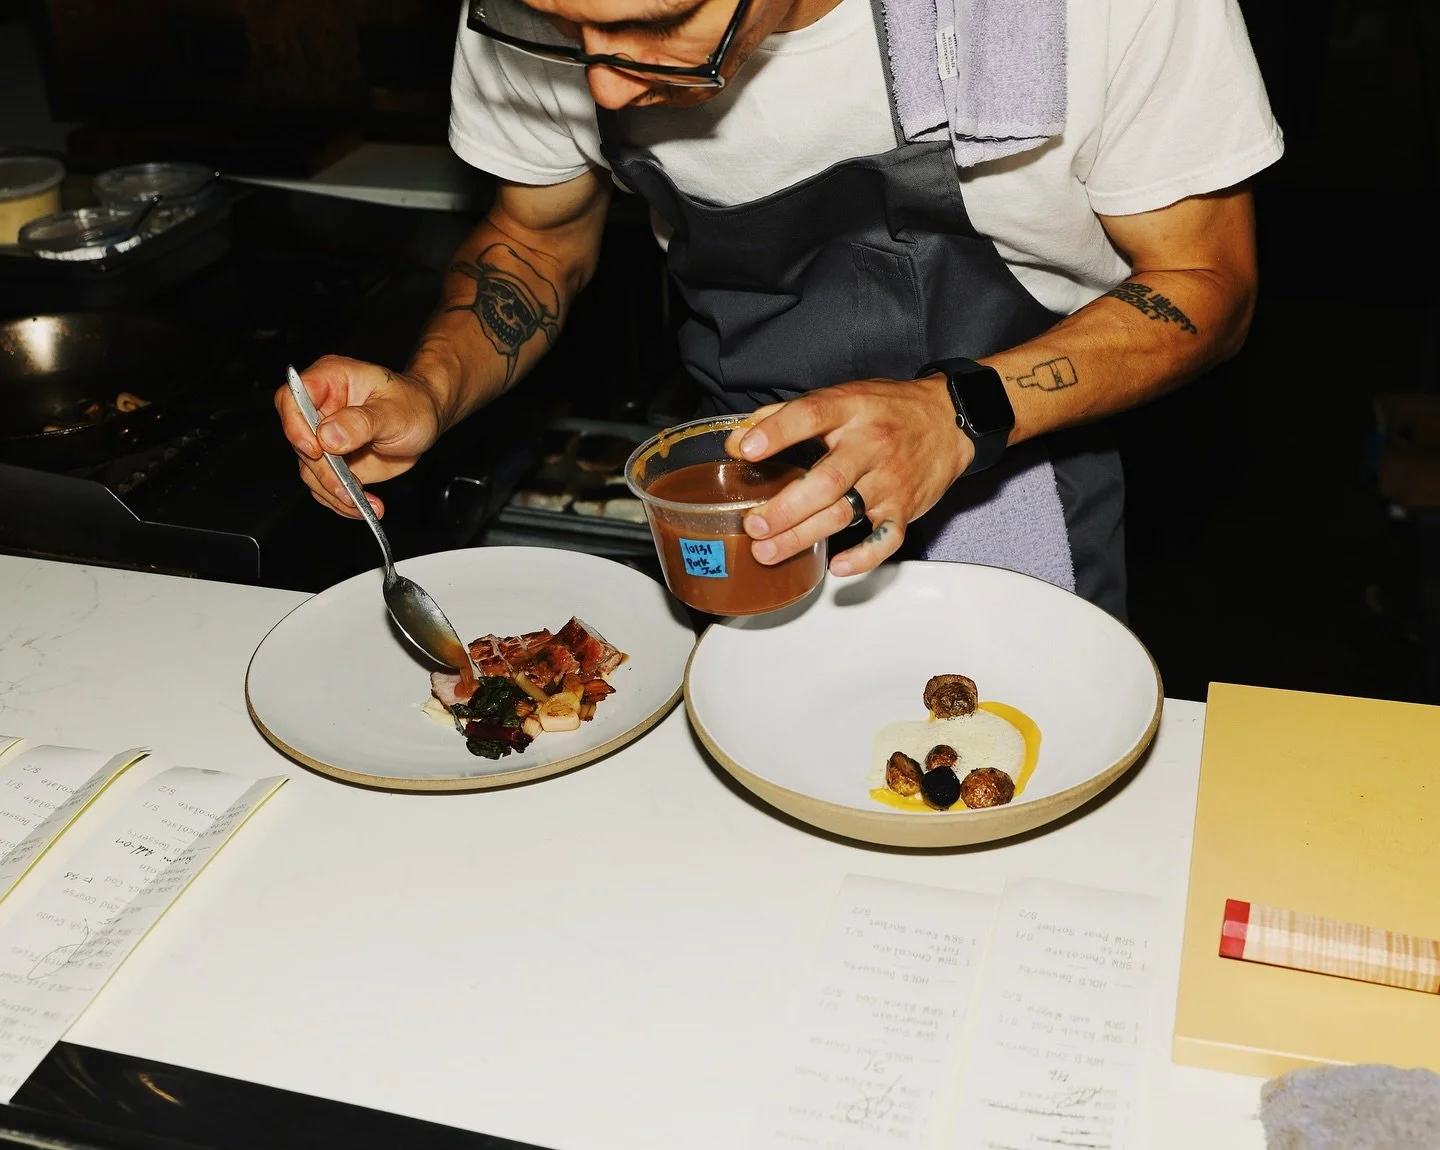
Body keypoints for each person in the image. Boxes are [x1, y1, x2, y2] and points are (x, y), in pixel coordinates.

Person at [276, 0, 1283, 619]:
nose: (604, 86)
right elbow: (539, 235)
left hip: (1011, 466)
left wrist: (956, 411)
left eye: (656, 27)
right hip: (738, 490)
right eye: (565, 27)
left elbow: (1207, 280)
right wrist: (430, 387)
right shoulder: (557, 7)